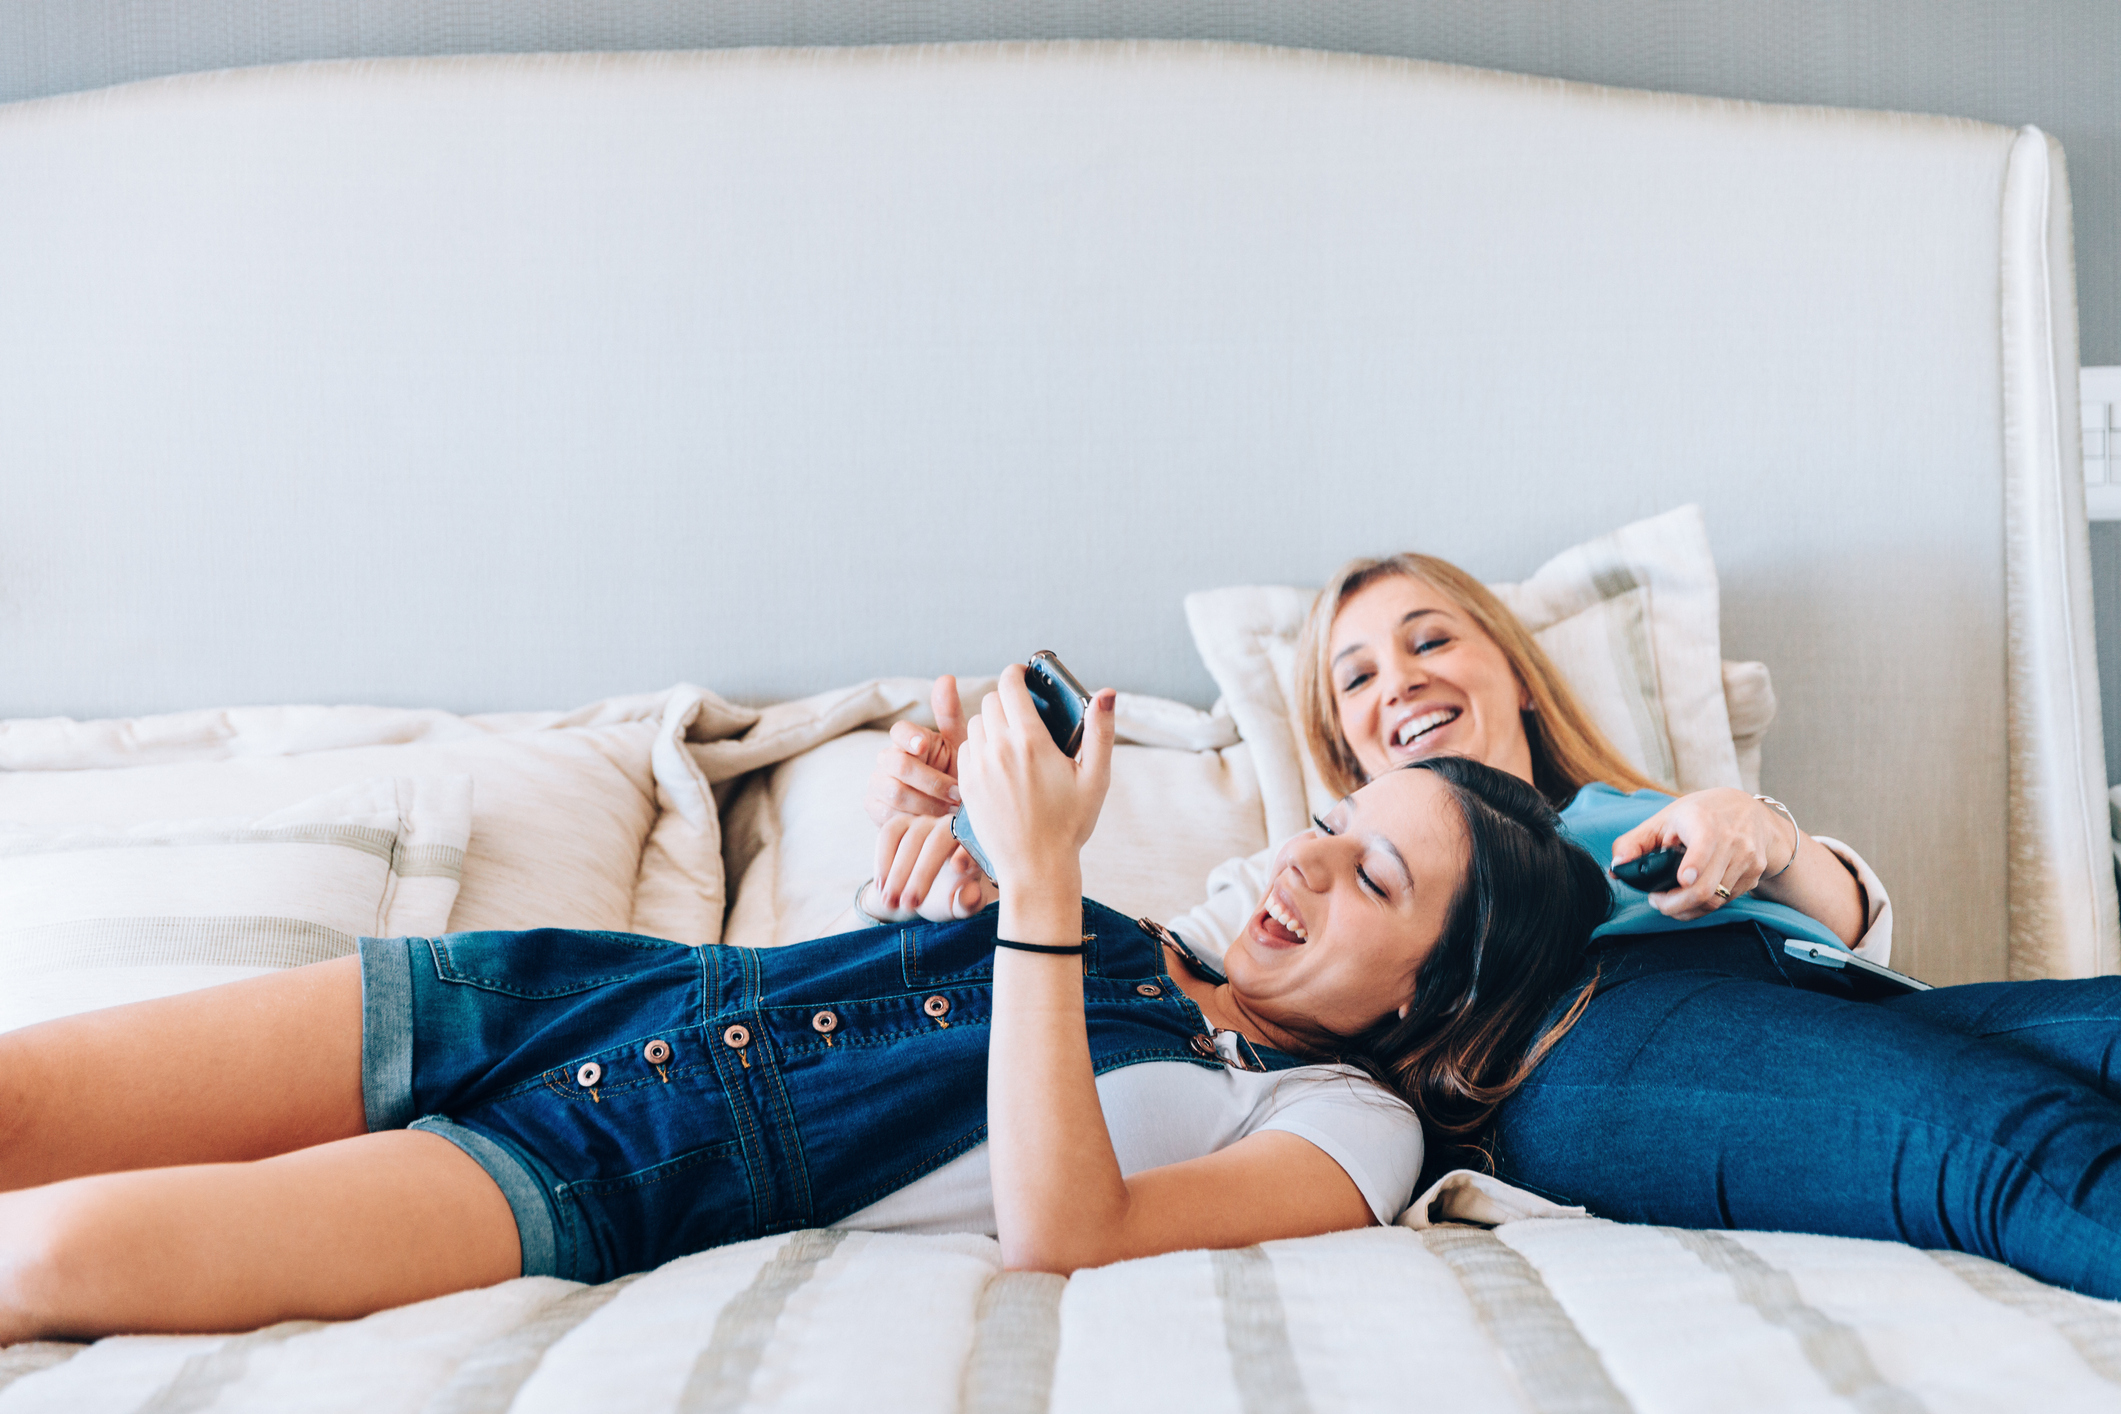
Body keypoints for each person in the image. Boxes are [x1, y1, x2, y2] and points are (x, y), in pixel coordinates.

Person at [0, 668, 1611, 1343]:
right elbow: (873, 1002)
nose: (1308, 870)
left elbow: (1066, 1227)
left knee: (54, 1253)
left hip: (624, 1162)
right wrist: (945, 855)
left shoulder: (1347, 1120)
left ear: (1440, 1006)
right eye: (1332, 828)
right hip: (561, 993)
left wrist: (1038, 896)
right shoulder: (1140, 939)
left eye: (1375, 885)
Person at [869, 556, 2121, 1300]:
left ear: (1512, 669)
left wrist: (1765, 837)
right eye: (1355, 678)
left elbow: (1858, 946)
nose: (1398, 681)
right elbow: (1163, 974)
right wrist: (974, 860)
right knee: (2011, 1142)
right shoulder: (1295, 877)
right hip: (1592, 1037)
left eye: (1428, 640)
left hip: (1807, 999)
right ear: (1345, 750)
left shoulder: (1646, 809)